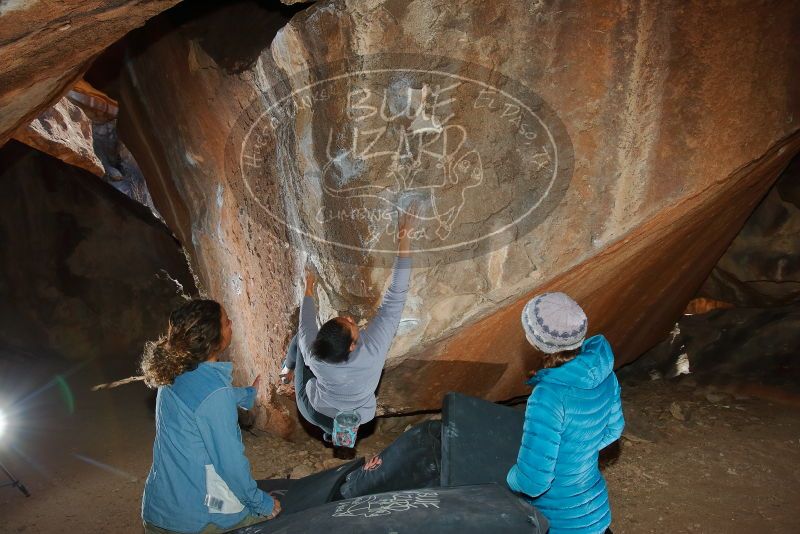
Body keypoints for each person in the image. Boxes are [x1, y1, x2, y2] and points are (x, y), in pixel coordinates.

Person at [140, 299, 280, 533]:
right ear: (213, 339)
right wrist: (262, 504)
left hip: (159, 509)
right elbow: (231, 464)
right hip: (197, 518)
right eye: (226, 322)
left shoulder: (175, 369)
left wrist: (247, 394)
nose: (231, 324)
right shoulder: (215, 394)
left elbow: (200, 397)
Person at [281, 212, 414, 441]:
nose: (350, 319)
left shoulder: (313, 354)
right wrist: (404, 238)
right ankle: (334, 433)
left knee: (297, 341)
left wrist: (309, 286)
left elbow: (305, 324)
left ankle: (286, 370)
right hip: (358, 416)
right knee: (299, 341)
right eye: (350, 324)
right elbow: (396, 297)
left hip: (316, 411)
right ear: (353, 346)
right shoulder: (372, 351)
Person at [507, 292, 624, 534]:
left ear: (535, 340)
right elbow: (614, 429)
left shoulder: (548, 396)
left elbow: (533, 482)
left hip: (559, 519)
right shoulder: (604, 373)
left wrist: (510, 477)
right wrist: (579, 453)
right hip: (594, 511)